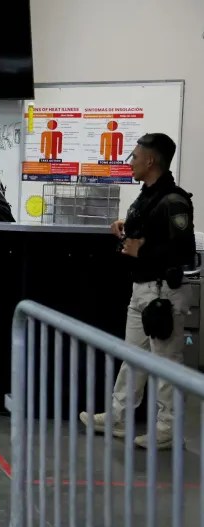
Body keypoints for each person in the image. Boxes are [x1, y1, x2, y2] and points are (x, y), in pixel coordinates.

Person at [79, 133, 195, 450]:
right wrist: (124, 228)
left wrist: (141, 252)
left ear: (150, 160)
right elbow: (147, 232)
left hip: (163, 295)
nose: (130, 162)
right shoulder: (148, 196)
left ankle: (168, 429)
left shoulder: (174, 200)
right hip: (142, 290)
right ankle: (118, 416)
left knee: (167, 365)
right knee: (133, 358)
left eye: (134, 156)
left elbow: (184, 251)